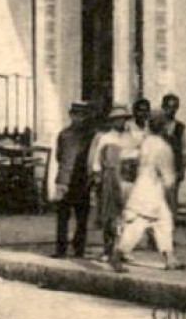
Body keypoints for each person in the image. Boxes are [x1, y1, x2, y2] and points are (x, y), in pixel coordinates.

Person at [112, 114, 185, 272]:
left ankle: (170, 258)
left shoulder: (146, 142)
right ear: (164, 127)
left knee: (164, 222)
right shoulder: (163, 147)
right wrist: (172, 190)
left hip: (141, 186)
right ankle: (118, 254)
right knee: (139, 225)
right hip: (153, 189)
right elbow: (168, 176)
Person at [51, 101, 95, 258]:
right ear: (71, 115)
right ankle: (61, 249)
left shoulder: (91, 136)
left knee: (81, 217)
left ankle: (79, 249)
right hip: (64, 180)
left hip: (82, 180)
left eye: (82, 115)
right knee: (63, 216)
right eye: (76, 115)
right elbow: (59, 156)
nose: (79, 118)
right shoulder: (64, 134)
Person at [88, 105, 132, 260]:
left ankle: (123, 250)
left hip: (126, 178)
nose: (120, 123)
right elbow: (96, 160)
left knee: (126, 214)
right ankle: (108, 249)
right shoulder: (106, 138)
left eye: (123, 119)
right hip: (110, 177)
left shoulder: (129, 138)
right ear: (112, 122)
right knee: (109, 214)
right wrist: (98, 175)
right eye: (117, 120)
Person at [156, 94, 186, 218]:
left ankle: (169, 233)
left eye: (175, 107)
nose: (172, 110)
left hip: (173, 168)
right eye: (169, 107)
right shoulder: (157, 125)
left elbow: (184, 150)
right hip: (158, 169)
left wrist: (182, 170)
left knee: (171, 202)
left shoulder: (180, 127)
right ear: (163, 107)